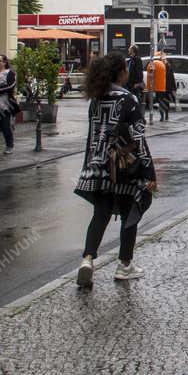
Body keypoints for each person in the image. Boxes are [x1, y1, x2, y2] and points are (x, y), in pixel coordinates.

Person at [74, 52, 156, 288]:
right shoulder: (128, 99)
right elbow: (138, 138)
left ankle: (87, 259)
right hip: (123, 167)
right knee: (130, 214)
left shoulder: (96, 98)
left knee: (101, 213)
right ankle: (124, 264)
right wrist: (149, 171)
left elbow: (93, 134)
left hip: (98, 165)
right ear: (121, 72)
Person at [147, 51, 169, 122]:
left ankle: (162, 116)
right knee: (161, 101)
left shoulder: (154, 64)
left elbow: (151, 74)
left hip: (155, 87)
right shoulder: (163, 65)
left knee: (159, 101)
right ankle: (165, 114)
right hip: (163, 87)